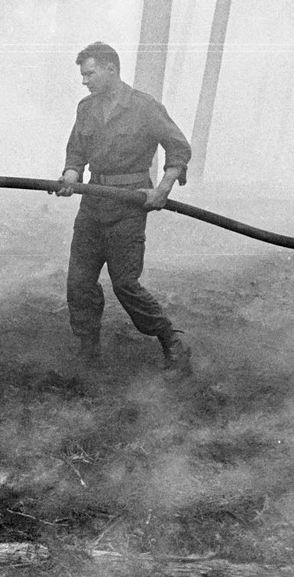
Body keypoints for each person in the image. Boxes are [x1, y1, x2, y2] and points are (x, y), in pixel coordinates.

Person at [55, 41, 193, 377]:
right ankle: (88, 350)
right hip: (92, 204)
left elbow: (178, 148)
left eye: (89, 73)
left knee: (125, 284)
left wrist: (162, 190)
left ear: (110, 68)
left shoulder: (144, 106)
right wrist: (70, 176)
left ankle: (172, 341)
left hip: (128, 204)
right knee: (78, 282)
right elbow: (76, 154)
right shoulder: (86, 108)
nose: (85, 81)